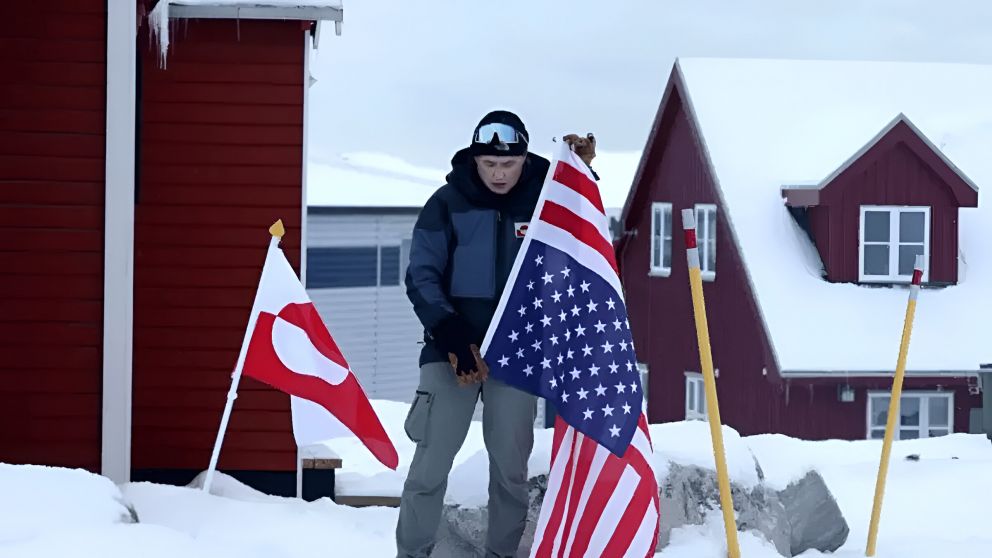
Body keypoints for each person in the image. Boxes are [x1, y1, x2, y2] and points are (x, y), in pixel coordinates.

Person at [396, 110, 596, 558]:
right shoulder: (447, 203)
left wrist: (581, 173)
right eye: (490, 164)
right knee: (430, 465)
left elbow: (586, 233)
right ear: (475, 159)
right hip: (450, 349)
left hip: (517, 352)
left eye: (509, 164)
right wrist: (449, 332)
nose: (500, 173)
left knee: (510, 471)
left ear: (525, 159)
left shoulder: (547, 202)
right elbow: (421, 275)